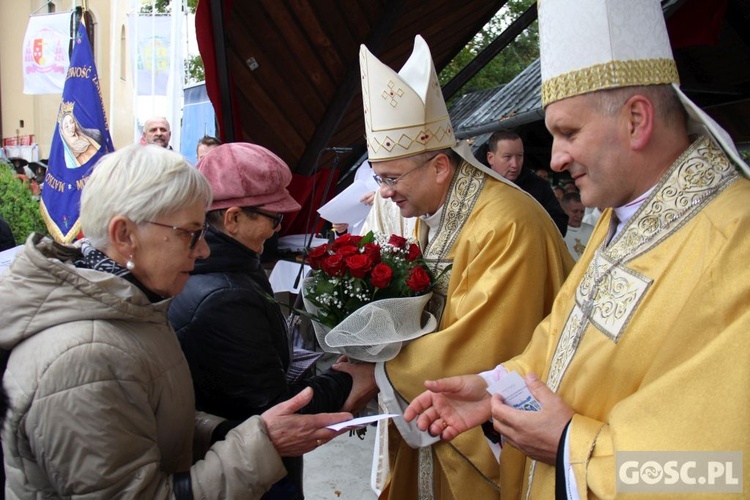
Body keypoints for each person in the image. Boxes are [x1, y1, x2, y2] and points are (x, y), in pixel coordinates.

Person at [404, 1, 750, 497]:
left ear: (636, 119)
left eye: (568, 133)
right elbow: (560, 337)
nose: (558, 158)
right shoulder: (621, 212)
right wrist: (494, 387)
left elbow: (723, 472)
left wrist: (572, 444)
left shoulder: (737, 240)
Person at [0, 143, 352, 498]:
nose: (203, 251)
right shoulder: (85, 357)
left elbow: (155, 424)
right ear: (125, 236)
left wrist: (231, 433)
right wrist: (258, 445)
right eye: (190, 233)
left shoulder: (135, 307)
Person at [357, 35, 573, 499]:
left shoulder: (506, 223)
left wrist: (374, 370)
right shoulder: (430, 213)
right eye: (380, 177)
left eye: (391, 178)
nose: (385, 192)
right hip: (438, 422)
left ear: (439, 167)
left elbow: (485, 345)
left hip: (492, 431)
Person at [169, 142, 376, 499]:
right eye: (274, 218)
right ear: (233, 218)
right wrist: (348, 379)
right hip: (247, 471)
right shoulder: (225, 297)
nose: (278, 229)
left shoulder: (229, 263)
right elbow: (274, 412)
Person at [486, 130, 568, 235]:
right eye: (507, 157)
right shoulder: (478, 188)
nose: (515, 164)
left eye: (519, 156)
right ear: (490, 158)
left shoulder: (539, 187)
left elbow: (560, 224)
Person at [560, 192, 594, 261]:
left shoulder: (593, 231)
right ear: (563, 210)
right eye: (575, 211)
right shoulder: (558, 232)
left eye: (582, 212)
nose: (579, 216)